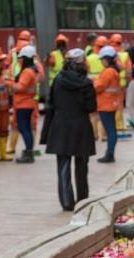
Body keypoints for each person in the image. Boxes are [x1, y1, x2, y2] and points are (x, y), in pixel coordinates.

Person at [45, 49, 97, 211]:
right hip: (81, 126)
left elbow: (51, 103)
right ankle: (82, 198)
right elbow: (91, 107)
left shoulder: (58, 80)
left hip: (61, 126)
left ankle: (67, 202)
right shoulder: (86, 83)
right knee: (82, 166)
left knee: (63, 166)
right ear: (82, 64)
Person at [94, 45, 122, 163]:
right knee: (111, 130)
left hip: (105, 105)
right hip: (111, 104)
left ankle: (109, 154)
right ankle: (110, 153)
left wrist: (93, 82)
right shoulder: (114, 71)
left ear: (106, 59)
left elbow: (99, 87)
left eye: (102, 59)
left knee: (110, 131)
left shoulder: (108, 72)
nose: (101, 62)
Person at [12, 44, 39, 163]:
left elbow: (21, 87)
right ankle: (29, 152)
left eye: (21, 58)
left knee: (24, 128)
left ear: (26, 58)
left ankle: (28, 154)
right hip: (27, 103)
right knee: (26, 128)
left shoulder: (27, 72)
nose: (19, 60)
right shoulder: (32, 70)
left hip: (23, 103)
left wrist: (8, 83)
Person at [87, 35, 109, 140]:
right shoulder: (106, 58)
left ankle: (94, 135)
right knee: (103, 112)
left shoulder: (89, 58)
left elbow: (85, 72)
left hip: (92, 87)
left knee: (93, 113)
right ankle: (104, 135)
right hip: (103, 87)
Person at [110, 33, 132, 135]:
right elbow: (129, 70)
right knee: (119, 104)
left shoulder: (108, 53)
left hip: (110, 84)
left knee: (110, 104)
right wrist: (128, 80)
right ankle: (119, 124)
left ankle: (113, 124)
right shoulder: (125, 55)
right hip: (122, 83)